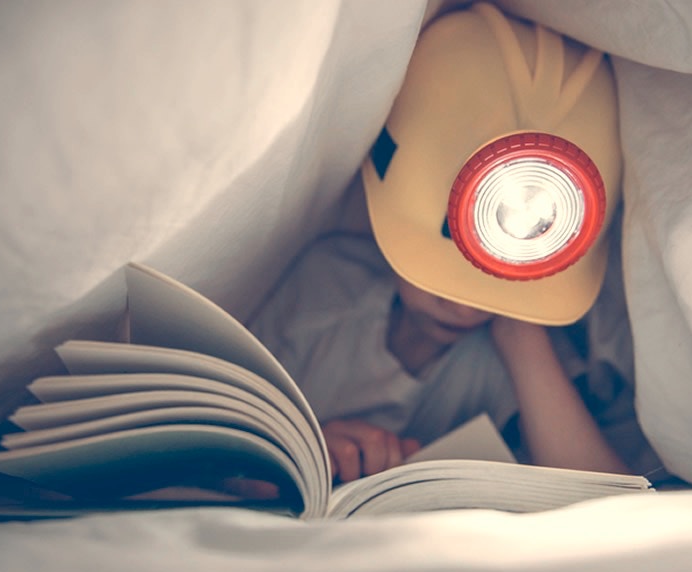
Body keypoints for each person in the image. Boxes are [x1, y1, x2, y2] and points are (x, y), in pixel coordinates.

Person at [249, 3, 662, 486]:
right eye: (444, 269)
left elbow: (608, 503)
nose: (462, 304)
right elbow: (219, 442)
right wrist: (305, 453)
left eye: (484, 277)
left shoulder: (516, 354)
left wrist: (518, 330)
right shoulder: (325, 285)